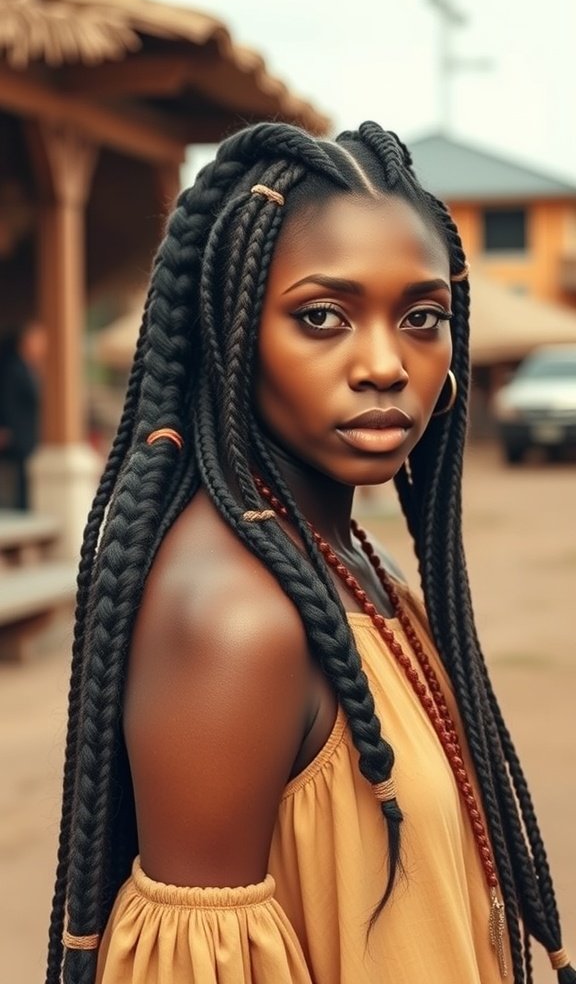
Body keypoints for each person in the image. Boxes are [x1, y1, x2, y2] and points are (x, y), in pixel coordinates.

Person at [46, 121, 575, 984]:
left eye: (422, 317)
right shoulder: (238, 619)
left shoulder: (362, 567)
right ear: (232, 334)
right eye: (322, 316)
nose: (383, 364)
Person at [0, 321, 46, 510]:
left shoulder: (30, 368)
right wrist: (5, 428)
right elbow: (6, 400)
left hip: (28, 437)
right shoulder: (13, 368)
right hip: (16, 437)